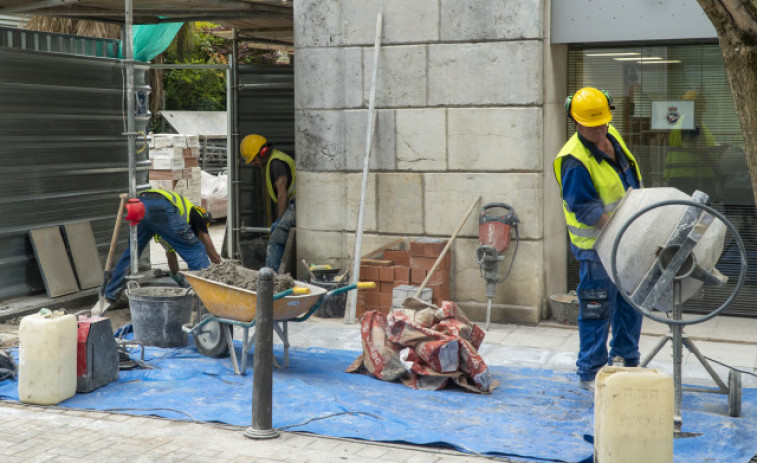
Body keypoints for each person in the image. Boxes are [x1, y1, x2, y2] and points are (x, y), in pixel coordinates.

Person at [553, 87, 644, 389]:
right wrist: (617, 230)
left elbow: (627, 179)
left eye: (602, 122)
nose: (598, 128)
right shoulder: (573, 160)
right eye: (591, 124)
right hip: (597, 250)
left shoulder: (611, 136)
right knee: (597, 310)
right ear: (575, 121)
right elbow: (584, 208)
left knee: (630, 305)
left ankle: (627, 361)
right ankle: (591, 372)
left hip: (626, 242)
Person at [102, 189, 221, 307]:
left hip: (138, 204)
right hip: (159, 205)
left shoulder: (171, 224)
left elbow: (170, 252)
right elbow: (206, 242)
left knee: (131, 253)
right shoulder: (197, 215)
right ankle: (207, 300)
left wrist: (175, 275)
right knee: (196, 250)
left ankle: (111, 295)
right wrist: (218, 263)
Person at [240, 134, 295, 272]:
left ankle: (270, 278)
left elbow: (282, 195)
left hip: (298, 204)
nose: (255, 164)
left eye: (254, 160)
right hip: (297, 203)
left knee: (276, 240)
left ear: (262, 152)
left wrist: (279, 220)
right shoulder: (274, 160)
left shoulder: (276, 164)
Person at [664, 90, 719, 194]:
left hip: (683, 175)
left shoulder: (684, 121)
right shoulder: (690, 120)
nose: (705, 106)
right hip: (689, 177)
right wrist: (716, 167)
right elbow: (695, 148)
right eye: (703, 103)